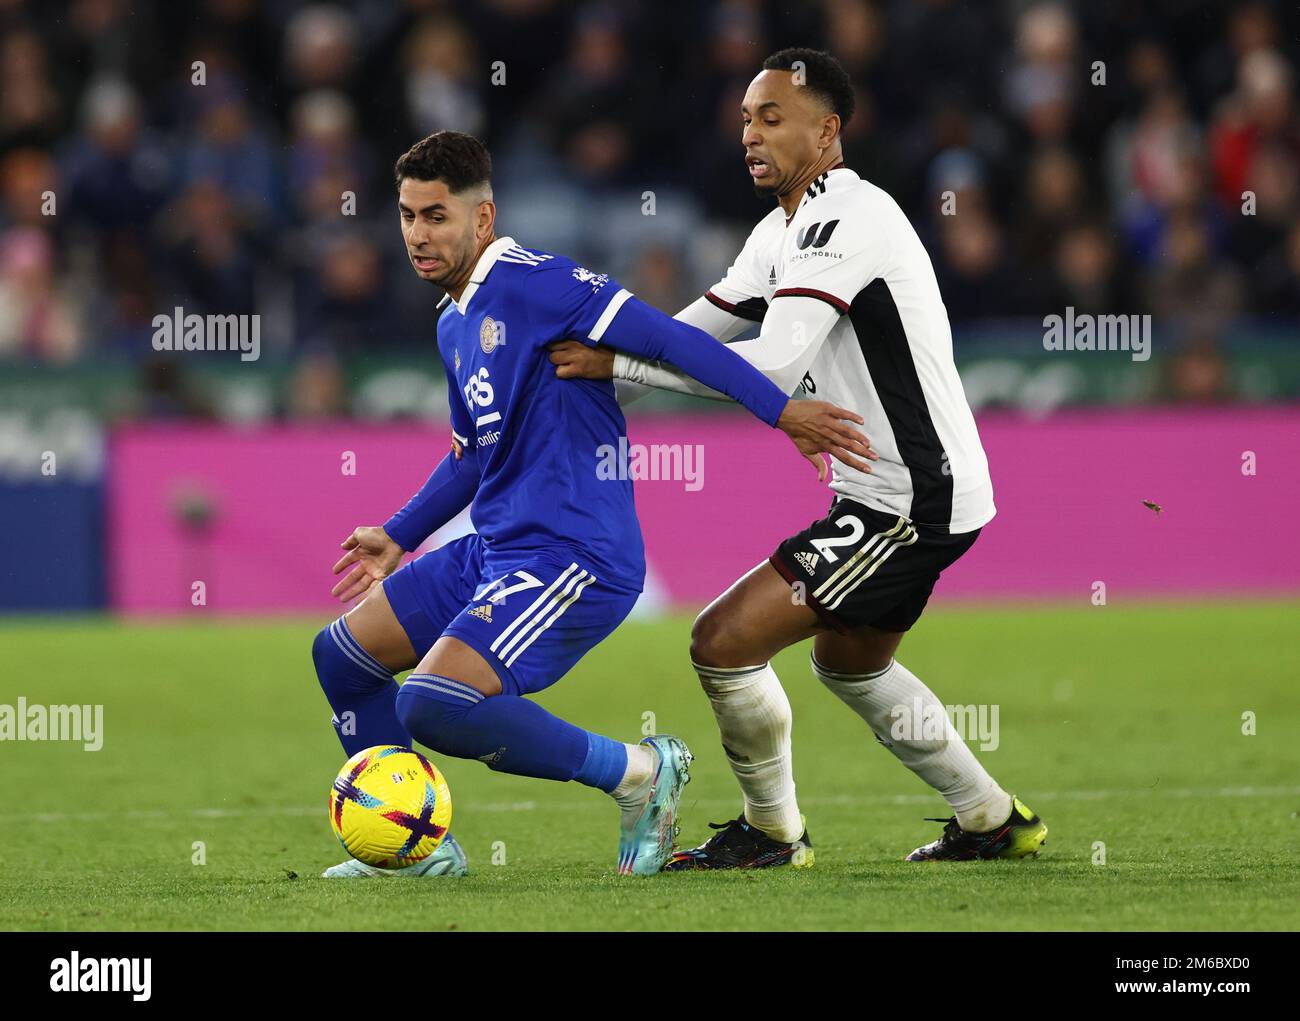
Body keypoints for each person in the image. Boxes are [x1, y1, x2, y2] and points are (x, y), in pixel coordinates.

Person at [312, 130, 875, 878]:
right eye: (409, 215)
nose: (419, 233)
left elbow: (673, 341)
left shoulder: (542, 284)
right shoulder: (453, 321)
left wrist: (780, 411)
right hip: (497, 548)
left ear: (482, 220)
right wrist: (396, 534)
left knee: (433, 701)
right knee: (342, 657)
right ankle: (421, 851)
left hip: (574, 555)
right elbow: (473, 453)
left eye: (437, 215)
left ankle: (640, 772)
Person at [549, 49, 1047, 867]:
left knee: (721, 640)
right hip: (890, 494)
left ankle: (773, 833)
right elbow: (688, 335)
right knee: (851, 666)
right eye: (747, 118)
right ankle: (992, 818)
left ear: (829, 129)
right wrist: (584, 391)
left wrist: (618, 368)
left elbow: (774, 366)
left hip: (912, 499)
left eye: (772, 117)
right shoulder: (778, 231)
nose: (751, 133)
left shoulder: (849, 217)